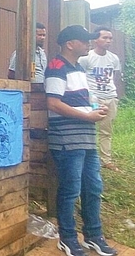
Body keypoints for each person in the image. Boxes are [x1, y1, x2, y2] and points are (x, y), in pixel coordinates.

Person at [45, 25, 117, 256]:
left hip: (86, 139)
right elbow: (53, 104)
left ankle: (94, 235)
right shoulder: (57, 67)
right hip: (67, 140)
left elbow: (79, 101)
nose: (89, 44)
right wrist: (87, 115)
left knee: (93, 188)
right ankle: (67, 238)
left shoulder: (77, 68)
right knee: (70, 189)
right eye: (85, 41)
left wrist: (97, 109)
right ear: (70, 44)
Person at [79, 26, 122, 172]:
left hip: (110, 97)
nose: (108, 41)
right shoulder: (86, 58)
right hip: (93, 98)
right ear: (96, 39)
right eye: (105, 37)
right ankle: (87, 158)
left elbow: (114, 77)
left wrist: (115, 96)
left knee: (106, 131)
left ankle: (106, 160)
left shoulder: (113, 58)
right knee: (89, 128)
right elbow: (80, 77)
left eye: (110, 38)